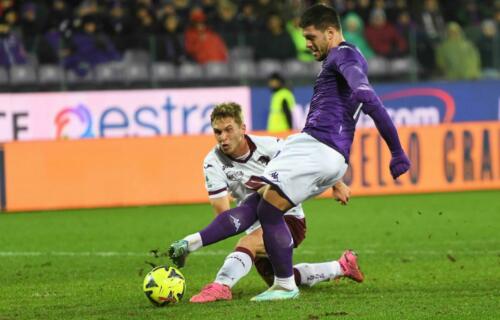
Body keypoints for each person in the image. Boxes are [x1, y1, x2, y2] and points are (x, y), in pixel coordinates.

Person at [169, 4, 410, 302]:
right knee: (260, 206)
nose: (307, 44)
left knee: (267, 210)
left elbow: (367, 96)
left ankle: (284, 286)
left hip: (319, 147)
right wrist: (192, 242)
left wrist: (397, 151)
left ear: (331, 32)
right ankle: (193, 245)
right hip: (316, 148)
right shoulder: (337, 59)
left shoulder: (344, 55)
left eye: (311, 37)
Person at [184, 102, 362, 303]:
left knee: (247, 244)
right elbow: (223, 215)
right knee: (282, 278)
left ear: (242, 128)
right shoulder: (212, 163)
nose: (223, 137)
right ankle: (342, 266)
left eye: (228, 130)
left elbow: (308, 160)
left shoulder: (271, 146)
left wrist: (336, 183)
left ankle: (220, 286)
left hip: (288, 218)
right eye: (217, 132)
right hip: (252, 223)